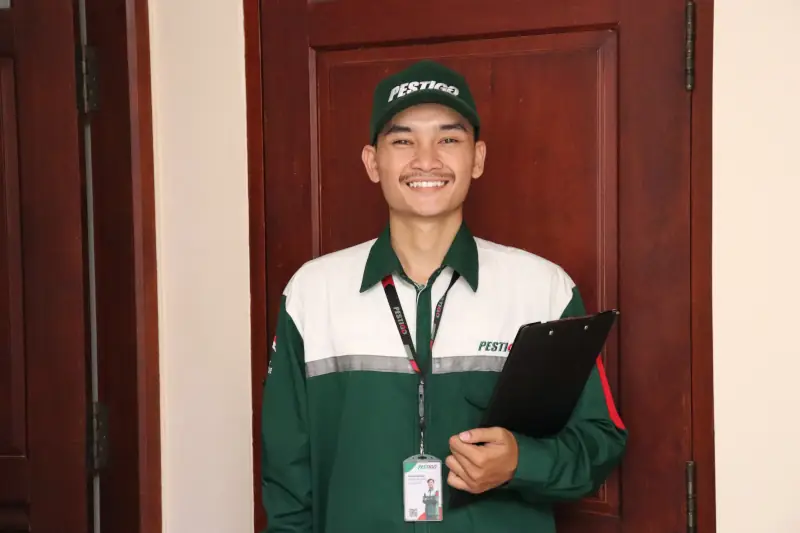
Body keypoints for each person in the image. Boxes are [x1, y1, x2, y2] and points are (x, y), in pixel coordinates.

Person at [261, 59, 628, 533]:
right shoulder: (312, 293)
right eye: (403, 140)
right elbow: (287, 479)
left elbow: (599, 439)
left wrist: (521, 462)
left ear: (477, 158)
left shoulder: (543, 289)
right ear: (372, 162)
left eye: (448, 139)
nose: (426, 159)